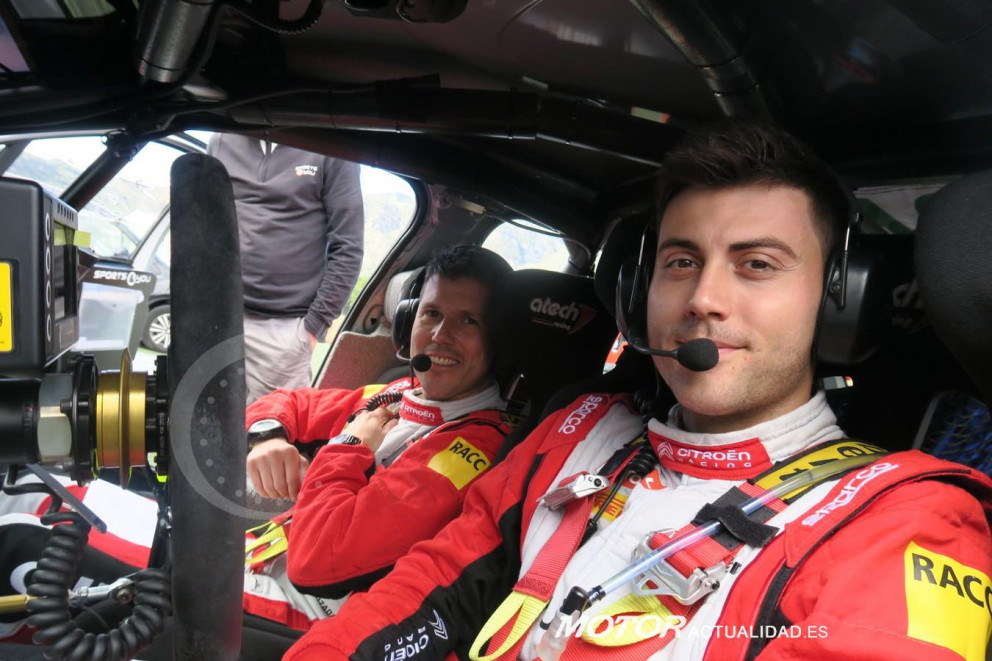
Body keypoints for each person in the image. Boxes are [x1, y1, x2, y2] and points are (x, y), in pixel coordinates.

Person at [282, 122, 992, 661]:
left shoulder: (905, 521)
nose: (704, 298)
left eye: (757, 264)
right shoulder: (581, 428)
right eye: (681, 262)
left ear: (839, 304)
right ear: (638, 294)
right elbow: (432, 585)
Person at [240, 244, 516, 630]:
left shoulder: (473, 450)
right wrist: (268, 436)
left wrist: (349, 446)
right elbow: (292, 403)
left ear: (497, 341)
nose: (441, 336)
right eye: (432, 314)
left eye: (468, 321)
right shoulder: (399, 393)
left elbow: (315, 560)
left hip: (315, 618)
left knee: (162, 591)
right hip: (262, 561)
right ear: (408, 320)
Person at [208, 133, 365, 403]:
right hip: (219, 318)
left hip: (285, 331)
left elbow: (348, 246)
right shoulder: (221, 140)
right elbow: (203, 226)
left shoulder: (332, 147)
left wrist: (313, 327)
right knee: (205, 420)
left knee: (271, 426)